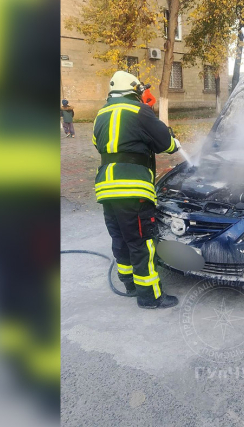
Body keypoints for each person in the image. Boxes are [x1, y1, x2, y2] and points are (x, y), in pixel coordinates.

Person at [92, 71, 181, 309]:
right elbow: (166, 144)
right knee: (141, 242)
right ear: (134, 89)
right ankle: (149, 297)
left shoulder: (101, 114)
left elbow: (98, 144)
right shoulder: (139, 111)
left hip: (106, 188)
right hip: (132, 188)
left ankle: (129, 284)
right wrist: (173, 140)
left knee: (120, 238)